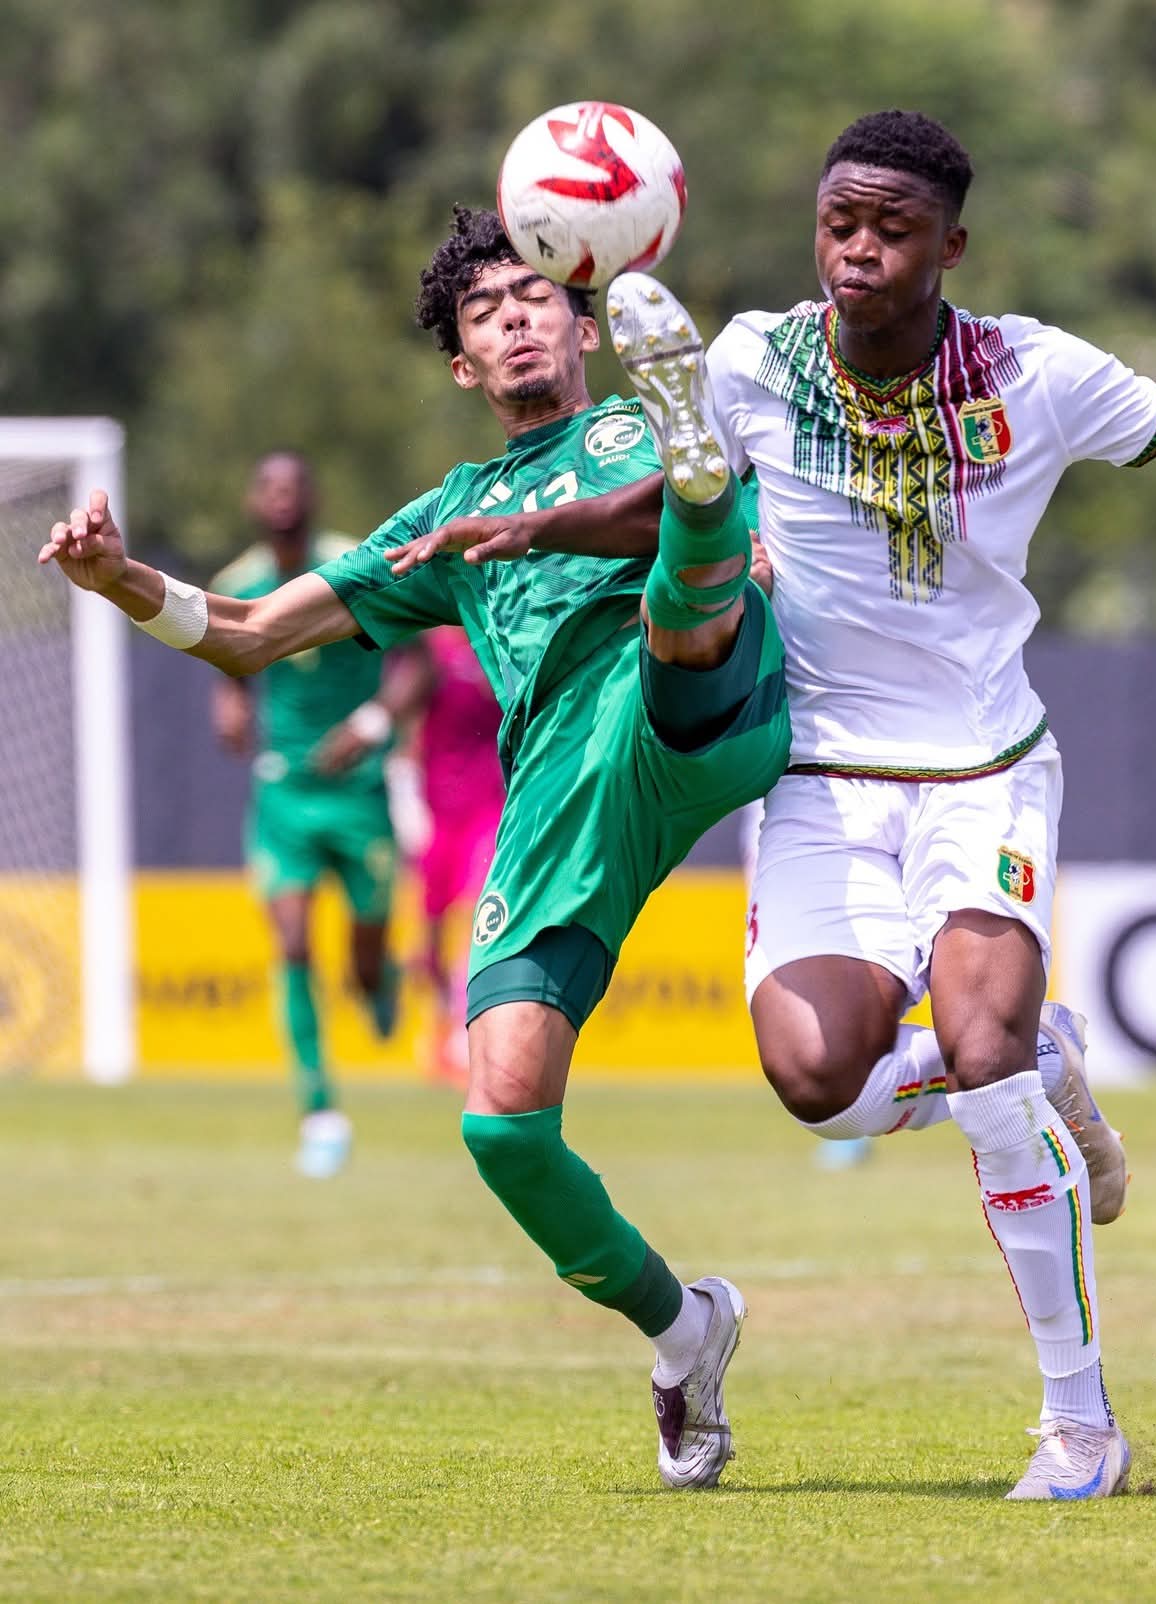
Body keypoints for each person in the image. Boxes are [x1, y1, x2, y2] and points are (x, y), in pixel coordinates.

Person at [401, 111, 1156, 1501]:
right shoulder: (746, 363)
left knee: (982, 1066)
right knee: (818, 1088)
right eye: (839, 224)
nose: (857, 252)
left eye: (892, 230)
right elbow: (685, 501)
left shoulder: (1034, 371)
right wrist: (535, 525)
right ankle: (1041, 1049)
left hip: (981, 769)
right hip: (822, 776)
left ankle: (1079, 1421)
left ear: (950, 245)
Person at [36, 204, 790, 1491]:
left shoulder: (625, 429)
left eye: (532, 294)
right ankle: (684, 1330)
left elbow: (727, 542)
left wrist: (668, 506)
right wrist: (123, 584)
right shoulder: (448, 515)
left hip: (697, 698)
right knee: (500, 1125)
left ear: (583, 316)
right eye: (483, 311)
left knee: (687, 548)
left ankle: (699, 506)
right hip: (564, 791)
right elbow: (254, 632)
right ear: (462, 364)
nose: (512, 317)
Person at [209, 450, 424, 1178]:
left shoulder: (354, 562)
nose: (280, 499)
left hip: (358, 791)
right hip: (284, 796)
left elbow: (417, 664)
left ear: (312, 496)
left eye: (291, 486)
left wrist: (370, 725)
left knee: (362, 962)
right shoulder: (237, 585)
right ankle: (320, 1111)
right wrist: (231, 705)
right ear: (253, 501)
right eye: (267, 487)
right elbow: (229, 664)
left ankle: (380, 980)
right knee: (293, 942)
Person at [406, 625, 506, 1084]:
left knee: (475, 916)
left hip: (489, 807)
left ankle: (468, 1036)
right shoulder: (433, 647)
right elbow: (409, 722)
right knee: (427, 937)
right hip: (437, 811)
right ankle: (438, 1028)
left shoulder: (501, 639)